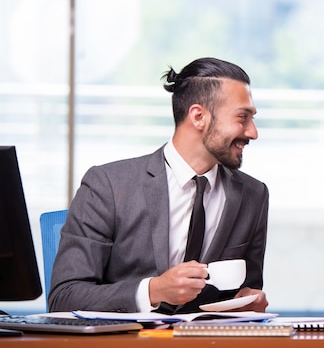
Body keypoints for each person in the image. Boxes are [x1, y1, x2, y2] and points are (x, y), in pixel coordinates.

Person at [49, 57, 269, 314]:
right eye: (242, 117)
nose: (253, 132)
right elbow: (64, 297)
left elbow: (247, 289)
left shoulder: (253, 195)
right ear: (198, 117)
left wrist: (248, 302)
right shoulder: (108, 185)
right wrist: (152, 291)